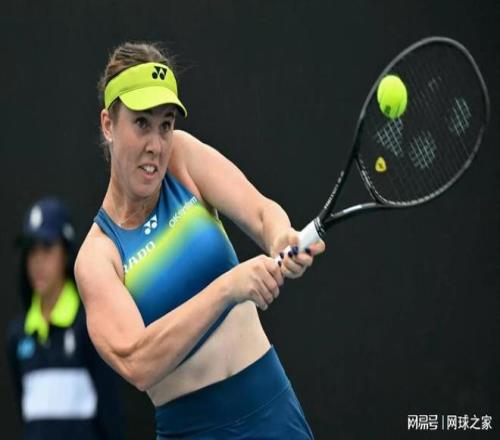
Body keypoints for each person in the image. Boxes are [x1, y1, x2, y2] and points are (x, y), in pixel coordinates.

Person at [75, 42, 325, 439]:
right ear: (108, 124)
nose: (156, 145)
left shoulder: (182, 158)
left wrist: (281, 237)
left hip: (272, 412)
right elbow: (138, 361)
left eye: (166, 125)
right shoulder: (97, 257)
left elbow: (263, 212)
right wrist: (228, 288)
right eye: (141, 123)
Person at [6, 197, 124, 440]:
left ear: (66, 254)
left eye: (47, 247)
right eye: (31, 250)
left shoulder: (90, 326)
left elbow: (111, 414)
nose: (38, 261)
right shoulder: (17, 336)